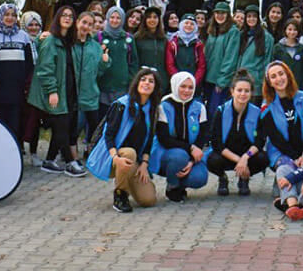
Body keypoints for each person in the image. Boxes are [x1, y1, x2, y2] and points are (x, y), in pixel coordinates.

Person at [87, 69, 161, 213]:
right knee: (129, 153)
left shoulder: (152, 109)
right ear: (136, 82)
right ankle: (120, 195)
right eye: (143, 79)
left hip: (135, 160)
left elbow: (149, 141)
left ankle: (129, 181)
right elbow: (108, 135)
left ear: (155, 87)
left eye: (151, 81)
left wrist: (144, 164)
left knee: (149, 200)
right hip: (114, 156)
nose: (146, 83)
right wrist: (115, 158)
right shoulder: (121, 105)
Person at [26, 7, 86, 177]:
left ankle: (50, 160)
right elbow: (45, 69)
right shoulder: (51, 40)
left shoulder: (69, 41)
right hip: (56, 91)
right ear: (58, 18)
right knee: (62, 126)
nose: (67, 18)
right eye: (64, 15)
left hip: (68, 90)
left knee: (64, 124)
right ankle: (69, 162)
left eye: (71, 16)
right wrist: (52, 91)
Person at [207, 72, 269, 196]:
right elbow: (216, 143)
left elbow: (260, 141)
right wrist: (239, 160)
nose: (242, 94)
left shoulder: (257, 113)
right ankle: (223, 178)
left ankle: (244, 178)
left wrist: (245, 158)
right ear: (232, 91)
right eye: (239, 90)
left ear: (251, 92)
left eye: (247, 91)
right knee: (212, 160)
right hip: (226, 155)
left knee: (263, 158)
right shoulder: (221, 111)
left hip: (247, 156)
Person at [151, 71, 210, 202]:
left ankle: (180, 184)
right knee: (179, 156)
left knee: (200, 177)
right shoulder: (164, 106)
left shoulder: (199, 107)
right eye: (183, 86)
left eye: (190, 87)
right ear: (175, 85)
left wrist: (192, 161)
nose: (187, 91)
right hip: (167, 154)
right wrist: (190, 149)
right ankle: (172, 186)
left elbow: (201, 138)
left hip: (189, 155)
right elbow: (164, 139)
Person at [262, 61, 303, 207]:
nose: (279, 79)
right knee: (286, 167)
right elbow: (276, 138)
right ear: (269, 82)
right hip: (282, 153)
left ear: (288, 75)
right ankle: (293, 205)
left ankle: (283, 194)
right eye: (273, 76)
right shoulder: (267, 107)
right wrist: (294, 157)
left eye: (281, 74)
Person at [0, 4, 36, 136]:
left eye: (13, 15)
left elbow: (29, 63)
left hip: (17, 87)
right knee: (0, 118)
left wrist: (26, 84)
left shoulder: (23, 36)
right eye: (6, 14)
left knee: (17, 119)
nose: (10, 18)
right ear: (1, 16)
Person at [97, 6, 139, 127]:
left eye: (118, 18)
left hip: (121, 87)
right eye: (112, 17)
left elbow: (134, 62)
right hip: (102, 86)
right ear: (108, 18)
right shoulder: (99, 37)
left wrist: (130, 80)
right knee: (101, 119)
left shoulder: (128, 38)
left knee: (117, 119)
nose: (115, 20)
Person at [73, 11, 107, 156]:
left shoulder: (95, 46)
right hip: (73, 94)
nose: (86, 27)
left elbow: (99, 72)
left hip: (90, 94)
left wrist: (105, 62)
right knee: (76, 126)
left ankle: (89, 151)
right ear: (77, 23)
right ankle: (69, 153)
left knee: (93, 126)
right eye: (84, 22)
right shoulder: (69, 43)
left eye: (90, 24)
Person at [237, 5, 275, 99]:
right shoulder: (242, 35)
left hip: (256, 81)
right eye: (249, 16)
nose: (251, 19)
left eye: (254, 16)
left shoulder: (266, 37)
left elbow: (267, 61)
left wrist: (264, 81)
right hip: (240, 79)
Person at [134, 6, 171, 95]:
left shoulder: (164, 39)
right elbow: (134, 60)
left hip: (161, 80)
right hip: (143, 81)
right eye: (149, 17)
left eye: (155, 17)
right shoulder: (137, 38)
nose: (152, 20)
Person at [165, 14, 207, 93]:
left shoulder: (199, 44)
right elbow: (170, 64)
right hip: (176, 83)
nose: (189, 26)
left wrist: (194, 81)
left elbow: (201, 66)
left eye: (192, 24)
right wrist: (178, 80)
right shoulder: (173, 43)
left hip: (193, 85)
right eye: (186, 23)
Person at [273, 20, 303, 91]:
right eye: (290, 29)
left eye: (295, 30)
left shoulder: (302, 48)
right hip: (282, 85)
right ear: (285, 30)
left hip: (298, 85)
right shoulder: (277, 48)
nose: (292, 32)